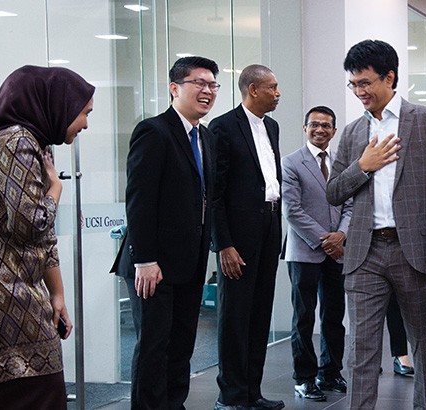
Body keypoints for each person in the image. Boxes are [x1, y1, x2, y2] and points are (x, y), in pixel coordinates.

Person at [327, 39, 426, 410]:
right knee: (361, 350)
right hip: (364, 252)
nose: (359, 92)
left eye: (366, 83)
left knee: (423, 343)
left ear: (390, 77)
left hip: (414, 251)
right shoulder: (354, 132)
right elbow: (333, 191)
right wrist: (362, 166)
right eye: (353, 84)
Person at [0, 65, 93, 409]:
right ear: (58, 105)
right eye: (83, 113)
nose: (85, 124)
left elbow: (42, 235)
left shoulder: (33, 143)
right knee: (26, 391)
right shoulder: (15, 141)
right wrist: (56, 188)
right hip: (3, 292)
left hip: (18, 286)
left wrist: (58, 293)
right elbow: (33, 223)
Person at [119, 56, 217, 409]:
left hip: (189, 262)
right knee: (154, 348)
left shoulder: (206, 137)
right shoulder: (154, 131)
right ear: (175, 88)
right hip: (153, 265)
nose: (207, 91)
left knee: (182, 345)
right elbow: (140, 201)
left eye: (212, 85)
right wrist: (144, 259)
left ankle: (173, 404)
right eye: (199, 83)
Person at [209, 64, 284, 410]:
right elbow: (216, 193)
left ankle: (253, 391)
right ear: (253, 89)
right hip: (238, 235)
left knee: (259, 311)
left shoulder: (272, 126)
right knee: (235, 315)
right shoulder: (223, 127)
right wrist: (223, 243)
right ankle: (232, 395)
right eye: (272, 87)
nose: (278, 93)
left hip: (269, 226)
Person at [282, 106, 351, 401]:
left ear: (334, 131)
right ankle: (304, 377)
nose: (320, 129)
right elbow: (292, 210)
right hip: (304, 252)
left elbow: (350, 206)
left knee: (334, 315)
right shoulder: (291, 163)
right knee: (303, 317)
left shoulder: (341, 164)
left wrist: (342, 235)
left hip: (338, 252)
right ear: (305, 127)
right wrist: (326, 239)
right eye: (315, 124)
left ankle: (331, 371)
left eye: (326, 125)